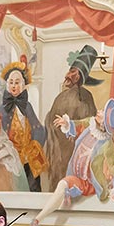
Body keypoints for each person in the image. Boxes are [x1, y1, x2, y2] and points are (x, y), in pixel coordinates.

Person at [30, 98, 114, 226]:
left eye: (102, 112)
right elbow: (78, 125)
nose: (98, 111)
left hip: (88, 182)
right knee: (63, 185)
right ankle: (37, 219)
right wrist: (67, 123)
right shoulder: (91, 124)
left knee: (62, 185)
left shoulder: (107, 144)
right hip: (74, 173)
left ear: (104, 122)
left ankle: (42, 216)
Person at [43, 45, 100, 192]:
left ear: (79, 75)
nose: (68, 75)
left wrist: (73, 131)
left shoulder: (85, 97)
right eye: (70, 70)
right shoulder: (61, 97)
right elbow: (51, 120)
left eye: (73, 72)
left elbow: (90, 123)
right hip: (57, 147)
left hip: (76, 147)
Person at [0, 59, 47, 192]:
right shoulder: (2, 109)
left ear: (24, 85)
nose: (14, 86)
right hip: (11, 156)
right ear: (7, 84)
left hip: (28, 155)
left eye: (17, 82)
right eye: (11, 82)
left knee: (33, 185)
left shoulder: (27, 106)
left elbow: (38, 128)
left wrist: (35, 145)